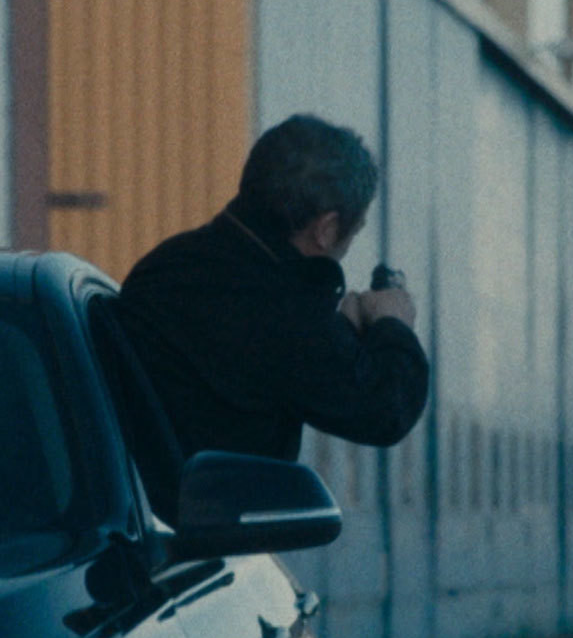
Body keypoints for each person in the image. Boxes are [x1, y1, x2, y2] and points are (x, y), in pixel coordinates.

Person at [114, 114, 429, 470]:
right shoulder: (283, 311)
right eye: (352, 233)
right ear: (326, 229)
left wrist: (338, 331)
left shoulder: (167, 263)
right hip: (202, 505)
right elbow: (385, 410)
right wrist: (393, 323)